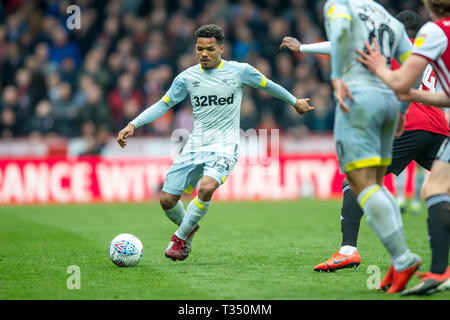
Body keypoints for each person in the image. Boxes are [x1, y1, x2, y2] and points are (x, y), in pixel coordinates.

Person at [116, 24, 314, 262]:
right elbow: (163, 104)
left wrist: (294, 101)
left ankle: (179, 238)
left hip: (225, 147)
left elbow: (267, 85)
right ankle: (189, 227)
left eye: (210, 49)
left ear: (221, 48)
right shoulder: (187, 78)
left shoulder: (239, 71)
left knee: (207, 187)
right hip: (194, 145)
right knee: (167, 201)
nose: (204, 54)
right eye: (199, 49)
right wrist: (133, 124)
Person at [281, 10, 449, 279]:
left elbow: (341, 46)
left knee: (354, 181)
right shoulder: (431, 48)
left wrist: (303, 47)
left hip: (407, 123)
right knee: (442, 191)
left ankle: (348, 251)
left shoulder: (388, 44)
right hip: (439, 125)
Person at [357, 0, 450, 296]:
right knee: (435, 188)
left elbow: (400, 80)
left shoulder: (434, 32)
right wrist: (411, 94)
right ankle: (439, 271)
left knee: (433, 190)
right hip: (439, 124)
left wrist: (378, 68)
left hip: (418, 126)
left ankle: (433, 270)